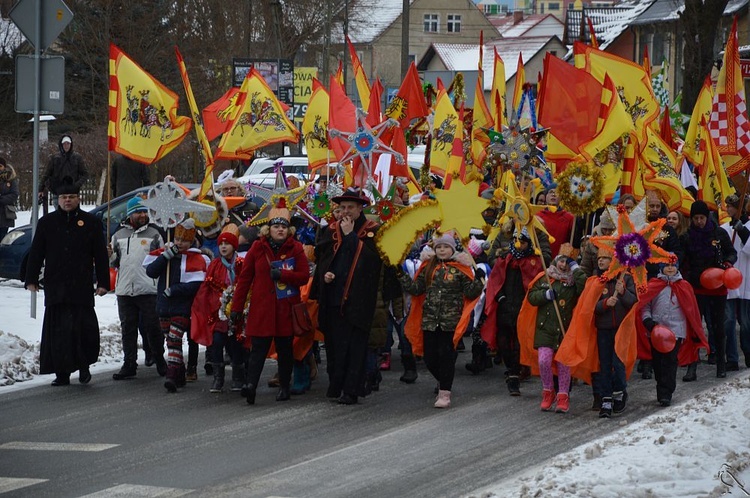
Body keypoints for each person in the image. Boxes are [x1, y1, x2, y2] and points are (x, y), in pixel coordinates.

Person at [24, 179, 109, 386]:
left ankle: (83, 366)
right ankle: (61, 372)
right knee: (59, 332)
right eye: (64, 197)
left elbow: (100, 255)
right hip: (56, 286)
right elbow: (36, 253)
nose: (67, 201)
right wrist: (31, 279)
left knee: (82, 329)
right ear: (58, 200)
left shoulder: (91, 222)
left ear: (78, 199)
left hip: (81, 285)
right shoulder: (47, 223)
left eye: (71, 197)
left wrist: (103, 282)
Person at [230, 202, 309, 404]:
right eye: (276, 226)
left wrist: (283, 274)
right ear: (268, 229)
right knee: (258, 349)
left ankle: (284, 386)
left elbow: (303, 276)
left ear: (289, 229)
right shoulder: (257, 248)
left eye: (283, 226)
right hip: (262, 308)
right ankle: (251, 386)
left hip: (285, 307)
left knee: (284, 350)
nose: (280, 229)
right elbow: (245, 280)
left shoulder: (296, 248)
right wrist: (236, 308)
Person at [311, 187, 383, 405]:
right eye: (342, 207)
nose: (345, 212)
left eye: (350, 207)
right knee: (334, 345)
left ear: (360, 209)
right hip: (333, 296)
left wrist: (351, 236)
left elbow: (371, 262)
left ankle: (351, 389)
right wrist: (326, 275)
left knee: (354, 347)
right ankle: (336, 385)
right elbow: (321, 259)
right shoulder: (329, 231)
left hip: (357, 300)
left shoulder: (371, 231)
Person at [400, 233, 484, 408]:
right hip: (430, 320)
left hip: (450, 321)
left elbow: (470, 292)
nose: (442, 250)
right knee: (430, 357)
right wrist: (401, 276)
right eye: (439, 247)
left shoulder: (459, 268)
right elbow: (416, 289)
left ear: (452, 249)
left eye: (445, 247)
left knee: (446, 356)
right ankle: (444, 379)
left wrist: (478, 279)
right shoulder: (428, 267)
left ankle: (445, 392)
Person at [145, 218, 210, 392]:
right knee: (170, 340)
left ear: (191, 241)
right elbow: (151, 271)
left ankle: (172, 374)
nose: (180, 243)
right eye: (178, 239)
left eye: (184, 240)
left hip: (182, 307)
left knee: (174, 338)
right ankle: (180, 372)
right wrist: (166, 257)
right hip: (163, 306)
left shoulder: (196, 257)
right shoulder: (166, 254)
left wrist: (175, 290)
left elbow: (195, 283)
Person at [636, 258, 708, 406]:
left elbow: (691, 309)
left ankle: (666, 392)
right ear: (661, 267)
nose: (670, 268)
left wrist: (692, 331)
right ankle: (660, 387)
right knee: (658, 361)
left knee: (670, 360)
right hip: (656, 331)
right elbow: (645, 305)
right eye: (667, 265)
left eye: (672, 266)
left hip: (676, 331)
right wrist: (647, 320)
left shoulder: (684, 286)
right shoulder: (653, 285)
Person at [519, 254, 586, 413]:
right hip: (545, 329)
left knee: (563, 363)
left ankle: (563, 396)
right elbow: (532, 297)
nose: (564, 265)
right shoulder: (545, 278)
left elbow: (584, 287)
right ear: (556, 261)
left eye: (567, 262)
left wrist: (576, 268)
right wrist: (545, 295)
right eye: (561, 260)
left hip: (564, 329)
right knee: (544, 361)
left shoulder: (573, 282)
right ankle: (548, 392)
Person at [109, 195, 167, 379]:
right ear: (130, 214)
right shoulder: (118, 235)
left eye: (144, 211)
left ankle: (160, 360)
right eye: (139, 212)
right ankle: (129, 364)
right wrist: (108, 255)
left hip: (148, 289)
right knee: (128, 329)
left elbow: (162, 259)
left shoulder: (154, 233)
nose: (143, 215)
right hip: (125, 289)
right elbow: (114, 262)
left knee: (153, 327)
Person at [481, 227, 543, 395]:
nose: (518, 245)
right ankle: (511, 368)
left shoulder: (535, 261)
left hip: (523, 309)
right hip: (504, 307)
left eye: (522, 242)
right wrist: (500, 297)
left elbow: (536, 283)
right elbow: (495, 280)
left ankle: (514, 376)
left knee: (517, 343)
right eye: (516, 241)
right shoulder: (505, 259)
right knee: (503, 343)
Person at [679, 200, 737, 379]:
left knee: (718, 327)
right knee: (695, 328)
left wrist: (728, 263)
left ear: (707, 217)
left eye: (702, 218)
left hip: (717, 287)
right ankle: (692, 366)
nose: (699, 221)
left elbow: (731, 252)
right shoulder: (687, 236)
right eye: (695, 218)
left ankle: (721, 363)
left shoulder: (719, 233)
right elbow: (682, 258)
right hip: (696, 288)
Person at [191, 225, 246, 393]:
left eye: (227, 244)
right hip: (218, 311)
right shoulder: (215, 265)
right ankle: (218, 378)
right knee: (216, 342)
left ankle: (238, 376)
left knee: (236, 344)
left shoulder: (241, 264)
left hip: (237, 311)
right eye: (221, 244)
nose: (223, 247)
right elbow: (207, 286)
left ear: (234, 246)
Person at [592, 252, 637, 417]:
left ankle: (619, 392)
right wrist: (604, 303)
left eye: (604, 258)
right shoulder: (596, 281)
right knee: (604, 364)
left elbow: (633, 301)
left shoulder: (626, 278)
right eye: (598, 259)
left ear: (614, 262)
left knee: (618, 363)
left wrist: (623, 292)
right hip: (603, 328)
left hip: (620, 329)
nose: (600, 260)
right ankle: (606, 398)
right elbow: (589, 306)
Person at [720, 194, 749, 371]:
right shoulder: (724, 228)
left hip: (746, 280)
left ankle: (748, 352)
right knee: (728, 321)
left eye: (732, 206)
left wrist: (744, 233)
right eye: (727, 206)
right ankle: (731, 358)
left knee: (746, 323)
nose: (728, 209)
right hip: (729, 281)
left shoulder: (748, 227)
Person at [40, 135, 88, 209]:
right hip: (58, 192)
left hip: (73, 193)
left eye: (68, 144)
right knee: (59, 216)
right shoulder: (54, 158)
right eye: (64, 144)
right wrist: (41, 189)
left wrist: (76, 185)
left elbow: (85, 174)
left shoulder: (77, 158)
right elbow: (47, 174)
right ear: (61, 145)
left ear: (71, 144)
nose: (66, 146)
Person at [536, 187, 575, 257]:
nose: (553, 194)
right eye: (550, 192)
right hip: (541, 258)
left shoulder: (569, 218)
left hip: (560, 261)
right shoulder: (537, 216)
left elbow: (573, 240)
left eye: (557, 192)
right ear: (546, 197)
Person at [0, 157, 19, 241]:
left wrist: (1, 199)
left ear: (4, 166)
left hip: (5, 215)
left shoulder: (10, 179)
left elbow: (14, 195)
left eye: (0, 166)